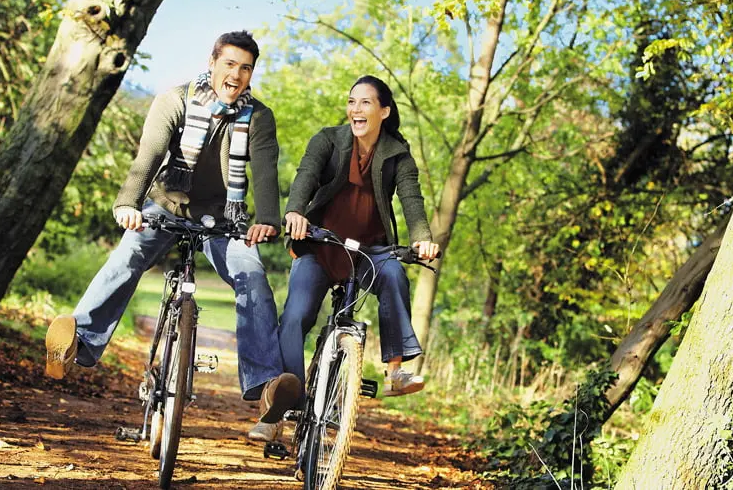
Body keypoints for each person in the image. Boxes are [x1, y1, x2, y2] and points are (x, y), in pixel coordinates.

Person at [44, 30, 299, 442]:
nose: (236, 75)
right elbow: (149, 154)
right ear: (212, 62)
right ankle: (77, 342)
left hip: (225, 219)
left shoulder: (259, 116)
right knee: (129, 254)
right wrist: (128, 203)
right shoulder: (175, 100)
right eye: (229, 64)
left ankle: (266, 385)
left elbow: (265, 171)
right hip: (167, 207)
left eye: (246, 68)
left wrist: (267, 219)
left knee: (252, 277)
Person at [278, 75, 440, 403]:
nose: (356, 109)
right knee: (296, 316)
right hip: (321, 246)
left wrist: (422, 238)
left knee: (394, 273)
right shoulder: (328, 140)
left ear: (384, 111)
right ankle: (285, 396)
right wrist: (295, 211)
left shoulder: (398, 154)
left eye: (366, 102)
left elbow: (411, 198)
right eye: (352, 102)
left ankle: (395, 372)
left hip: (368, 251)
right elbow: (306, 174)